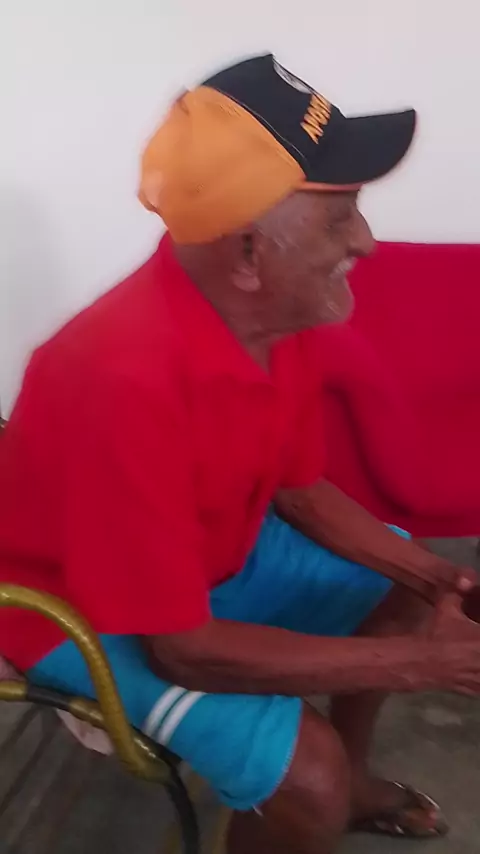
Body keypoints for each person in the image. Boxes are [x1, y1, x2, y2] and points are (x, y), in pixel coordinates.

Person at [1, 53, 479, 854]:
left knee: (403, 586)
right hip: (82, 609)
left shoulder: (277, 319)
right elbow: (182, 648)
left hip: (206, 555)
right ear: (251, 253)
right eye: (340, 217)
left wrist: (443, 580)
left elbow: (298, 488)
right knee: (308, 778)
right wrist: (419, 665)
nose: (365, 240)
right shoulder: (119, 380)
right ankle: (329, 791)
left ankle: (353, 781)